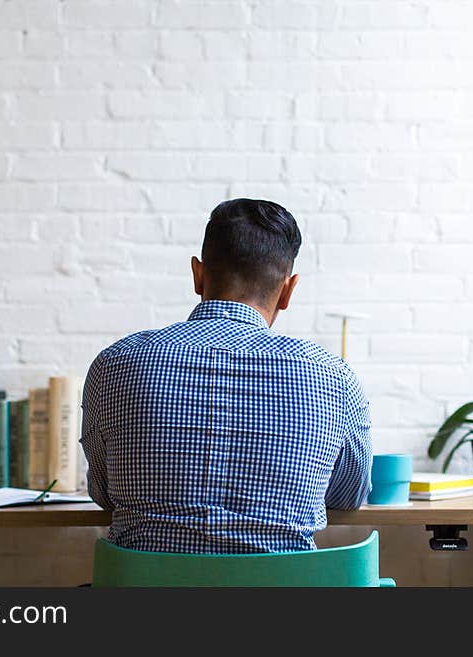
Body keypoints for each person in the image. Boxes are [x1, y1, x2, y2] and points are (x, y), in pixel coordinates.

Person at [80, 198, 372, 554]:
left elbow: (103, 493)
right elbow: (348, 496)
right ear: (287, 291)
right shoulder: (332, 376)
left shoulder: (116, 364)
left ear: (197, 275)